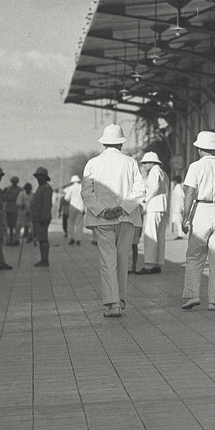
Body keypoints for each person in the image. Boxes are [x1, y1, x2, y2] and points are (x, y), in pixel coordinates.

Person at [82, 124, 146, 318]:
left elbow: (86, 192)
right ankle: (121, 298)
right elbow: (140, 190)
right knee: (122, 258)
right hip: (126, 217)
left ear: (104, 143)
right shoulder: (131, 162)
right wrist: (122, 208)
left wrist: (103, 210)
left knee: (107, 260)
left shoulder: (93, 163)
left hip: (102, 220)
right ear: (121, 143)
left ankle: (112, 303)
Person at [179, 131, 215, 311]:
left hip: (201, 210)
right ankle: (214, 300)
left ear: (199, 149)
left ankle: (193, 295)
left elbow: (189, 192)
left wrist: (185, 217)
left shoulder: (195, 166)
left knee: (195, 257)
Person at [135, 151, 169, 275]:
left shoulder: (154, 172)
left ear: (151, 162)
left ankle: (149, 265)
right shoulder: (163, 173)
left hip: (154, 207)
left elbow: (154, 187)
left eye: (145, 163)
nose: (144, 166)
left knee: (150, 236)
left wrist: (145, 199)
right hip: (162, 207)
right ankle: (158, 263)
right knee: (159, 237)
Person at [28, 167, 53, 267]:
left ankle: (45, 260)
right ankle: (43, 259)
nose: (38, 179)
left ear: (45, 177)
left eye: (40, 177)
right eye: (37, 177)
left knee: (43, 239)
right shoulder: (41, 187)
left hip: (42, 218)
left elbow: (47, 205)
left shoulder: (46, 188)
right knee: (40, 239)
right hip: (37, 217)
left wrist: (44, 217)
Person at [60, 174, 85, 245]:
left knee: (71, 223)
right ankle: (78, 239)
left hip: (72, 207)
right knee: (79, 224)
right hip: (80, 208)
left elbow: (66, 198)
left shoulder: (70, 188)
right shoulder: (82, 187)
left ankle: (71, 238)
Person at [2, 176, 21, 246]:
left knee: (15, 225)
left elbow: (17, 197)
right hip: (8, 206)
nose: (14, 183)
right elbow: (3, 197)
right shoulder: (8, 189)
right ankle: (9, 240)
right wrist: (6, 193)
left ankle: (15, 240)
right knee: (9, 225)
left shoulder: (19, 189)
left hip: (14, 206)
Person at [168, 174, 187, 239]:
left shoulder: (178, 187)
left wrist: (182, 207)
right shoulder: (177, 187)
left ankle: (181, 234)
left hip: (178, 207)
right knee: (177, 221)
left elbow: (182, 197)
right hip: (176, 207)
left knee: (179, 221)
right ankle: (179, 233)